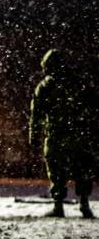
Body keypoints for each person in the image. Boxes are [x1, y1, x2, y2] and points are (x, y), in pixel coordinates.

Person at [29, 49, 96, 218]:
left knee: (56, 170)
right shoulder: (79, 83)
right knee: (82, 169)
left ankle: (58, 205)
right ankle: (84, 204)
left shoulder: (45, 86)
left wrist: (34, 135)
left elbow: (36, 113)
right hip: (79, 134)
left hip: (56, 135)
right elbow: (93, 108)